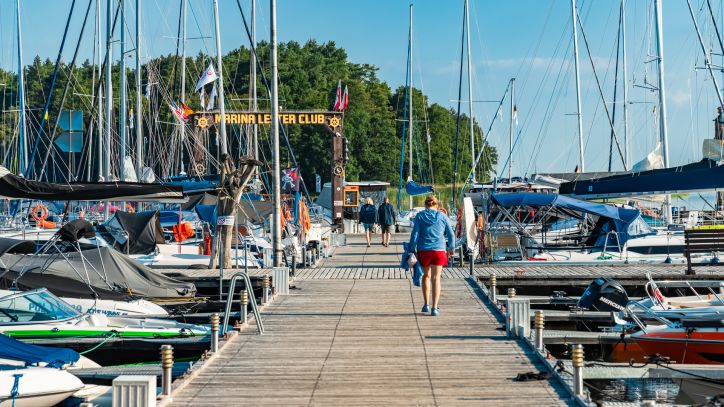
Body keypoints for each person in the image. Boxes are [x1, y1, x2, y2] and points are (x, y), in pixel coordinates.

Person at [408, 195, 454, 317]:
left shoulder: (419, 216)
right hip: (439, 250)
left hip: (423, 250)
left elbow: (415, 235)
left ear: (425, 205)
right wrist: (451, 248)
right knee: (436, 278)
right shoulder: (443, 216)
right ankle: (435, 308)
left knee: (426, 276)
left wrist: (411, 248)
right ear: (436, 205)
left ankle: (426, 304)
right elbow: (451, 235)